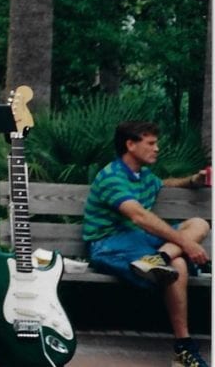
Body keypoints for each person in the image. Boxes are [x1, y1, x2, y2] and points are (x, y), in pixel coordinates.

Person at [83, 120, 211, 367]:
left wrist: (193, 180)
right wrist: (188, 244)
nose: (157, 148)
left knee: (200, 224)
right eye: (150, 143)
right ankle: (184, 347)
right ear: (130, 145)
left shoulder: (143, 175)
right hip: (108, 244)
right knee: (179, 266)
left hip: (140, 243)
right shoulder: (112, 176)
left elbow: (166, 183)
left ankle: (158, 260)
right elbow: (139, 216)